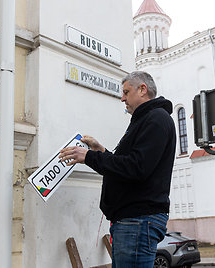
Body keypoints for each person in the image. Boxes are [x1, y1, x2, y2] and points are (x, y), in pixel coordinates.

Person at [59, 71, 176, 267]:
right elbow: (130, 165)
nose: (122, 98)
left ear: (142, 89)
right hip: (133, 222)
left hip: (137, 221)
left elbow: (136, 168)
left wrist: (88, 156)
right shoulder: (146, 120)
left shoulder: (156, 119)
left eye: (126, 92)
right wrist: (101, 150)